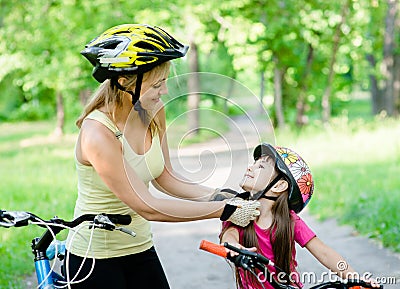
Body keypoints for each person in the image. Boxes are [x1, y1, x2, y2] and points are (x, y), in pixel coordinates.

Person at [64, 24, 260, 289]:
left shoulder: (152, 111)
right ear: (125, 81)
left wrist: (219, 195)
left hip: (140, 248)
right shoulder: (97, 133)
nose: (164, 91)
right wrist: (223, 210)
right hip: (95, 258)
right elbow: (146, 205)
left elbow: (165, 177)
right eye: (157, 83)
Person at [220, 143, 380, 289]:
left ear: (279, 185)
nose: (250, 168)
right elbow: (229, 236)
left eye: (260, 166)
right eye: (253, 164)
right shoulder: (238, 212)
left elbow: (324, 252)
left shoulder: (289, 221)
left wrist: (356, 279)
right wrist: (234, 247)